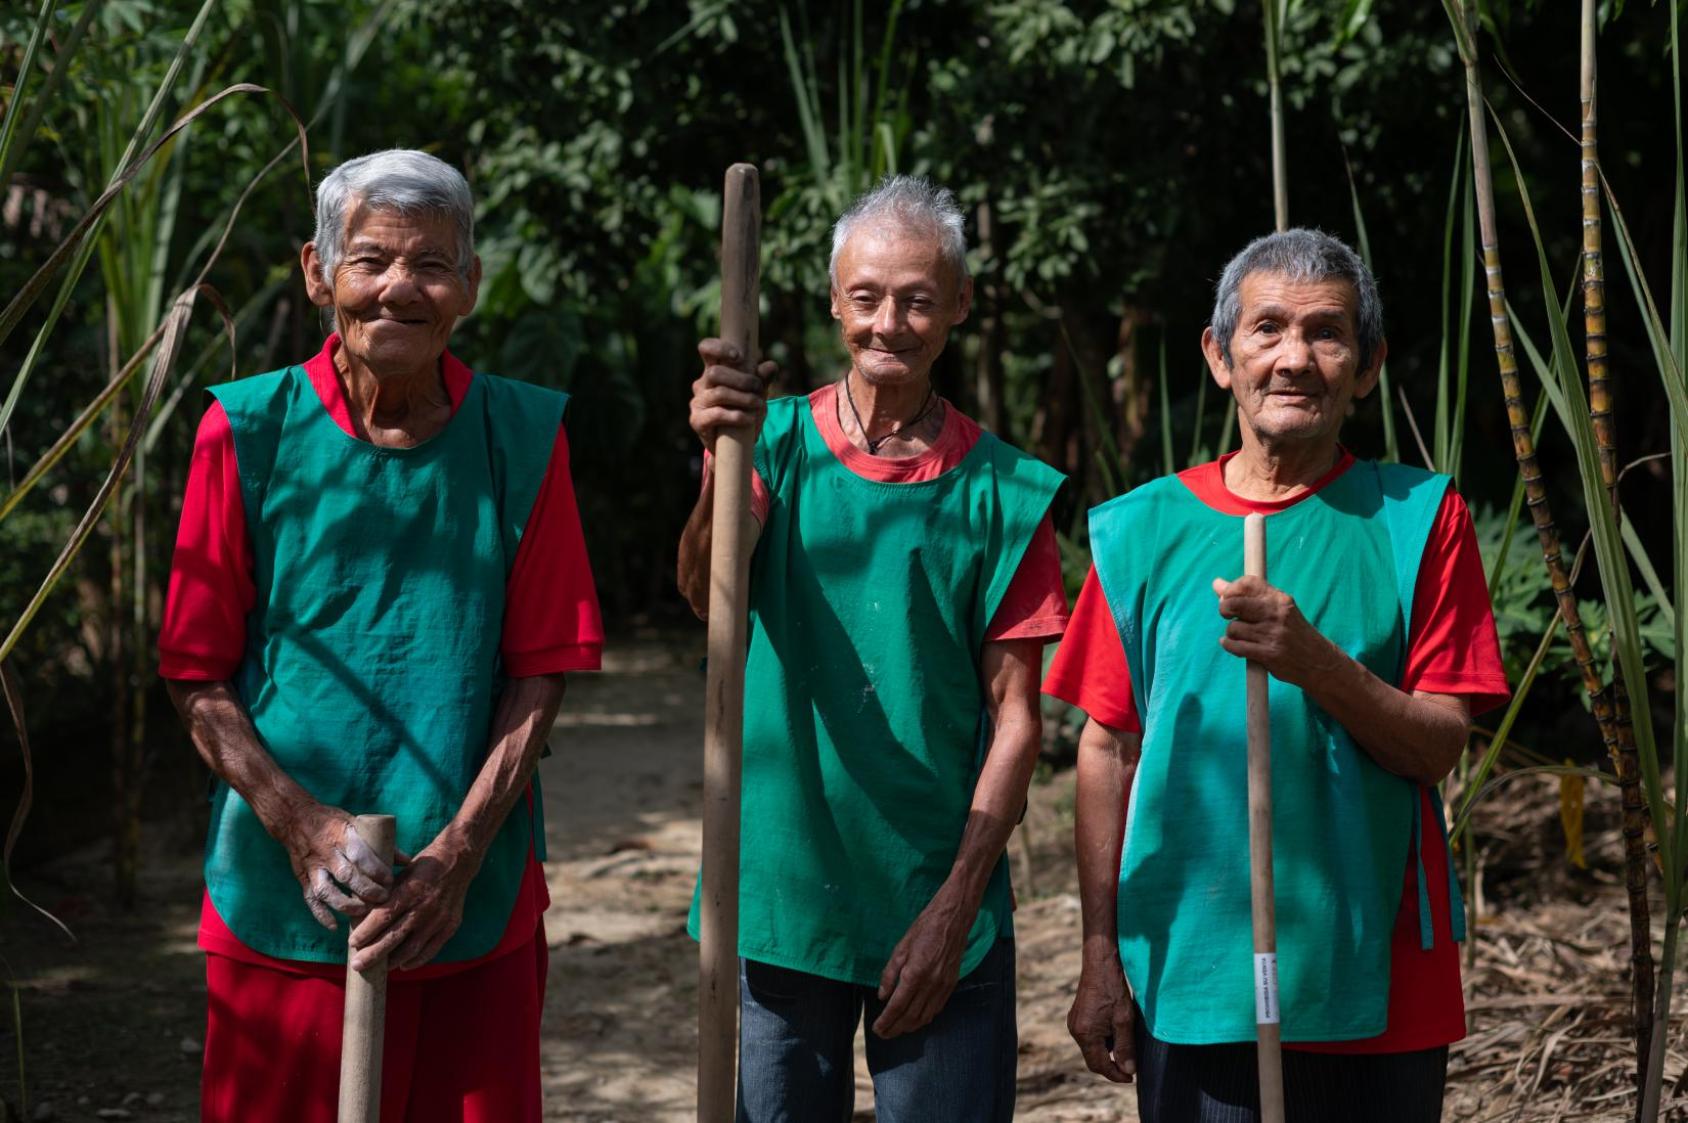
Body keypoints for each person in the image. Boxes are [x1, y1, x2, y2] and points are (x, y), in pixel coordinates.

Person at [158, 148, 603, 1122]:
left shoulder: (519, 438)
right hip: (282, 903)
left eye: (431, 263)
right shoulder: (246, 432)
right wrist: (300, 824)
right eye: (369, 260)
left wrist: (453, 858)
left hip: (468, 902)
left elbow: (540, 672)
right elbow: (196, 675)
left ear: (469, 288)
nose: (399, 286)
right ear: (319, 274)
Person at [1044, 229, 1509, 1123]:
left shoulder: (1418, 518)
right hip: (1194, 963)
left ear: (1366, 366)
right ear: (1222, 357)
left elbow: (1440, 745)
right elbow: (1106, 750)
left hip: (1378, 970)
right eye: (1267, 329)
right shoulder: (1141, 530)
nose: (1294, 357)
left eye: (1327, 333)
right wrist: (1102, 954)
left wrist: (1317, 664)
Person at [678, 175, 1068, 1122]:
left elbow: (1018, 721)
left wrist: (956, 902)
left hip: (937, 892)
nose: (888, 321)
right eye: (866, 297)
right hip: (780, 887)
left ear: (960, 305)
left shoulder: (1005, 493)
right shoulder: (764, 443)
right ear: (834, 300)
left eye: (917, 298)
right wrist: (717, 464)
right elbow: (706, 595)